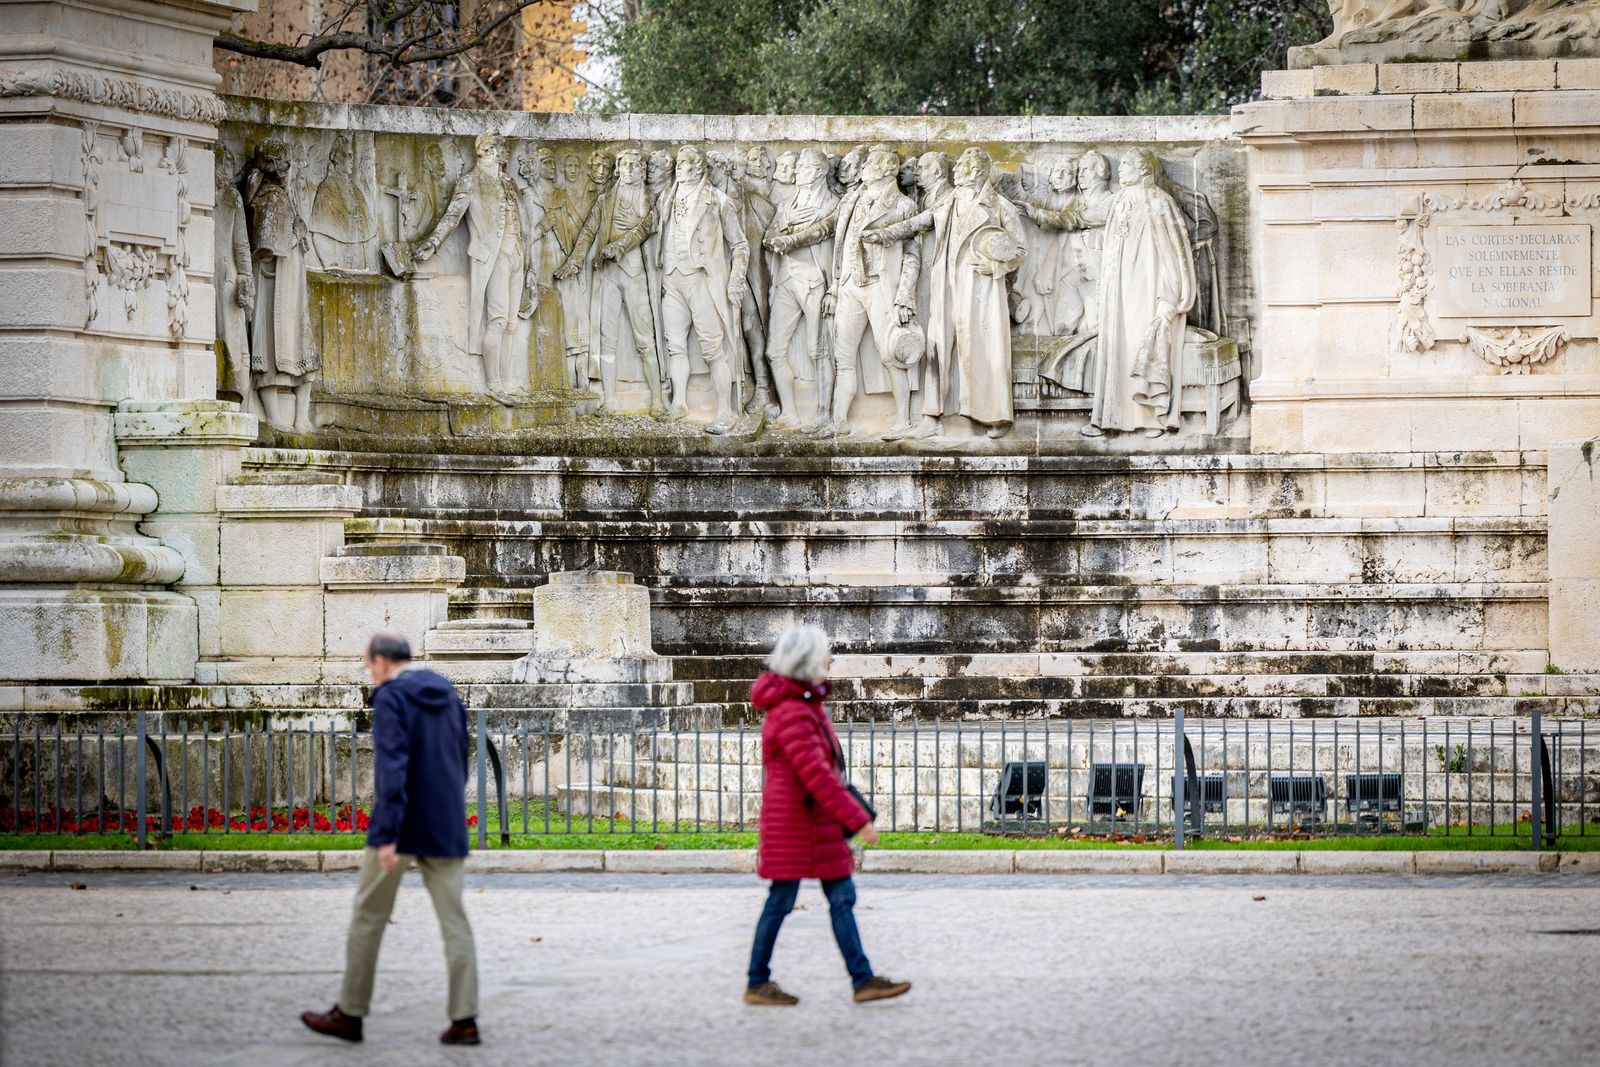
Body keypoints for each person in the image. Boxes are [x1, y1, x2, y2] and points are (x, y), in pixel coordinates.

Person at [301, 632, 480, 1047]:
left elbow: (392, 769)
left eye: (368, 666)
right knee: (456, 923)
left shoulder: (391, 698)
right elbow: (461, 755)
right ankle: (465, 1019)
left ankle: (350, 1012)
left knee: (368, 917)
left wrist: (388, 835)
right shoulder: (447, 693)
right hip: (445, 822)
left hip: (400, 826)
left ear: (382, 662)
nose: (370, 674)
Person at [744, 625, 912, 1007]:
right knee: (781, 901)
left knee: (840, 896)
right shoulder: (792, 712)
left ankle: (862, 979)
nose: (829, 662)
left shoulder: (804, 705)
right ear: (806, 662)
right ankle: (757, 982)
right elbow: (818, 775)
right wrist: (858, 819)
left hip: (814, 824)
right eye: (825, 655)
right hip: (795, 826)